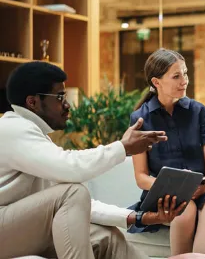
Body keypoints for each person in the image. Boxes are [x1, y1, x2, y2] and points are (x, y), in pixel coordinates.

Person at [0, 61, 186, 259]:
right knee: (73, 192)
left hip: (17, 228)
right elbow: (70, 169)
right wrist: (123, 147)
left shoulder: (35, 137)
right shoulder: (12, 129)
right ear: (32, 102)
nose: (67, 105)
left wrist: (141, 217)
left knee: (105, 236)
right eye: (60, 97)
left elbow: (80, 206)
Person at [128, 48, 205, 255]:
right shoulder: (140, 119)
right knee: (185, 208)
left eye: (185, 74)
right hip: (165, 194)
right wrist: (175, 189)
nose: (184, 80)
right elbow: (141, 177)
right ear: (156, 82)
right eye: (176, 76)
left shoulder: (200, 112)